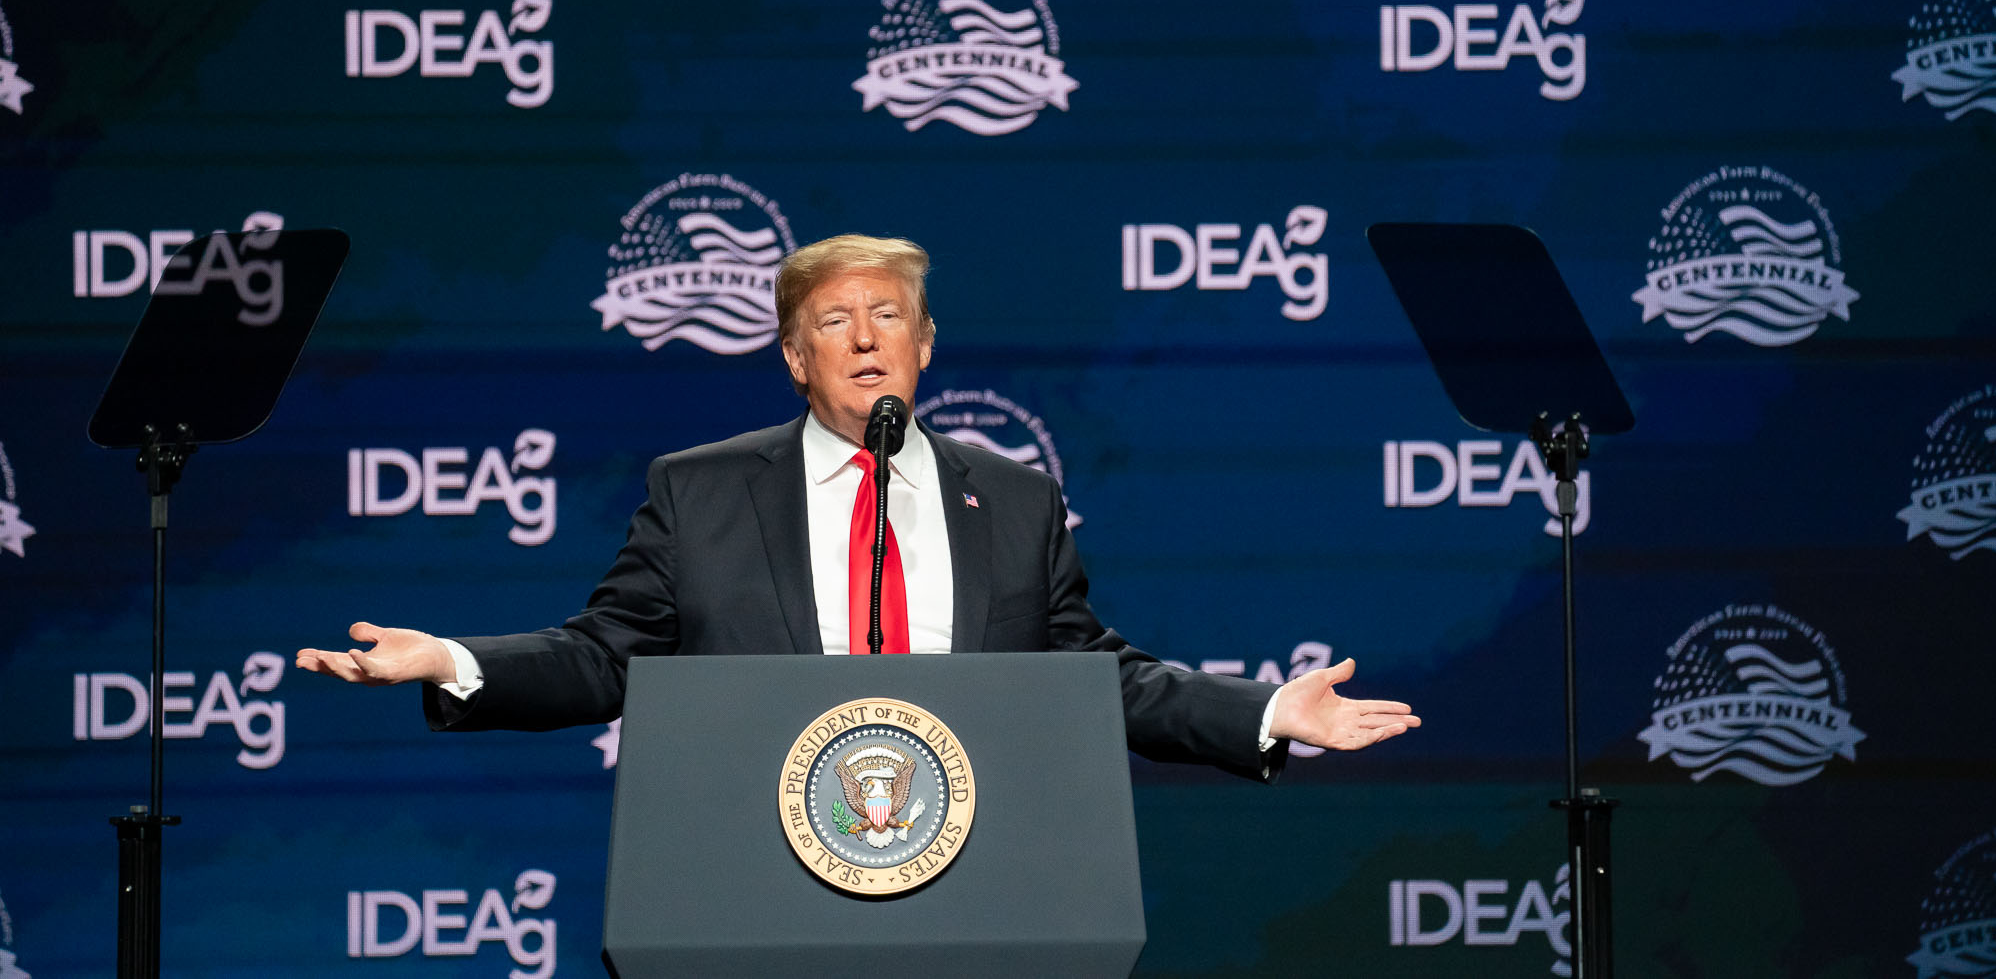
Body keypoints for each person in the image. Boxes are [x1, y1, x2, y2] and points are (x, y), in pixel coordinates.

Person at [297, 234, 1419, 778]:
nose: (867, 336)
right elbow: (604, 659)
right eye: (835, 322)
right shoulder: (700, 493)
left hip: (976, 870)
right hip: (755, 872)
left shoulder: (1014, 498)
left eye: (888, 316)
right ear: (794, 357)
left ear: (925, 346)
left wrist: (1266, 713)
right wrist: (449, 658)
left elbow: (1091, 676)